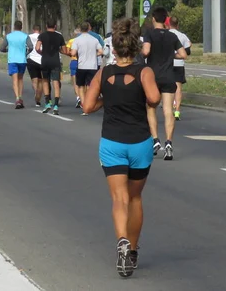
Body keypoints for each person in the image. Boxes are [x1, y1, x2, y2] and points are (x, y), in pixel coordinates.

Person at [83, 18, 161, 278]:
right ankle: (135, 249)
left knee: (119, 198)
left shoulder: (103, 73)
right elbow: (154, 99)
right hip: (140, 143)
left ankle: (122, 242)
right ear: (136, 47)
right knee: (136, 198)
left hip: (112, 143)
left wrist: (108, 98)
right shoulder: (144, 72)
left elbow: (87, 106)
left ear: (113, 49)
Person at [141, 7, 187, 160]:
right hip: (169, 76)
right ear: (165, 19)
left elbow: (146, 52)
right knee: (168, 110)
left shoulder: (149, 34)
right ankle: (169, 143)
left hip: (153, 77)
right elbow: (183, 54)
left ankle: (155, 140)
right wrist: (170, 54)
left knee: (150, 107)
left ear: (153, 19)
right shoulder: (172, 36)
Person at [71, 22, 103, 116]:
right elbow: (101, 51)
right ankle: (90, 104)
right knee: (90, 86)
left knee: (81, 86)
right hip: (92, 66)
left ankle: (84, 106)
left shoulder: (77, 40)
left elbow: (73, 53)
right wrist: (94, 54)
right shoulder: (94, 39)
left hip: (81, 66)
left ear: (80, 29)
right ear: (89, 28)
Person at [36, 20, 67, 116]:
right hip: (55, 61)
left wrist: (42, 53)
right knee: (56, 82)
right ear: (55, 26)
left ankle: (47, 102)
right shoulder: (59, 36)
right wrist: (58, 50)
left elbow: (37, 48)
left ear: (46, 26)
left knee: (45, 81)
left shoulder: (42, 35)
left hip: (45, 61)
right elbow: (64, 50)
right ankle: (56, 105)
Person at [1, 20, 33, 109]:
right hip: (22, 60)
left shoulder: (9, 36)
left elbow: (2, 48)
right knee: (20, 79)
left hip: (12, 60)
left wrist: (8, 50)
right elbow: (31, 47)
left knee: (14, 80)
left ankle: (17, 98)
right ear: (21, 27)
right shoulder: (25, 36)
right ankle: (20, 96)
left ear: (14, 27)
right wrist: (26, 53)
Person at [167, 16, 192, 121]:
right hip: (179, 64)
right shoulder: (182, 36)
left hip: (168, 64)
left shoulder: (167, 35)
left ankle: (170, 106)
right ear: (177, 25)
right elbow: (189, 45)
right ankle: (177, 111)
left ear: (168, 24)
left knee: (168, 88)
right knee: (178, 89)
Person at [27, 25, 44, 107]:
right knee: (41, 80)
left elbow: (27, 47)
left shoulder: (29, 36)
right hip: (41, 59)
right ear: (40, 30)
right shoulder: (43, 36)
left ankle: (36, 92)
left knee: (34, 80)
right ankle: (38, 98)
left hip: (31, 59)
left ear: (33, 30)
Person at [66, 27, 82, 108]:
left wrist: (71, 54)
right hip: (83, 62)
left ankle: (78, 97)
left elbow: (67, 51)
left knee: (75, 81)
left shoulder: (71, 41)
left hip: (74, 61)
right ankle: (83, 98)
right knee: (83, 81)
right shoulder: (84, 41)